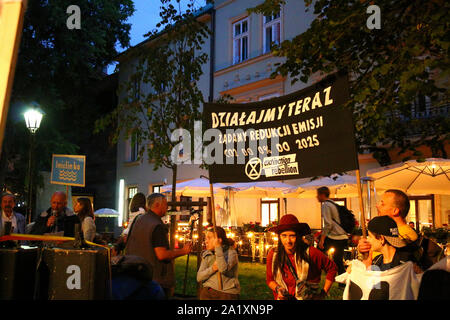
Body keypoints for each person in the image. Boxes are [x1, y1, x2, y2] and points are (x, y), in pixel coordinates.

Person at [125, 193, 192, 298]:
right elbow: (162, 254)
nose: (167, 207)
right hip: (154, 280)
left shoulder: (138, 220)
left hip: (137, 275)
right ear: (157, 205)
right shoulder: (157, 225)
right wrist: (183, 251)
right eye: (165, 204)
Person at [266, 214, 338, 300]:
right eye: (284, 236)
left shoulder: (311, 252)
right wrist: (278, 289)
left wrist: (323, 293)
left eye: (292, 236)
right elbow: (270, 280)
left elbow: (332, 268)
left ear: (298, 236)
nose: (288, 240)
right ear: (279, 237)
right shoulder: (273, 254)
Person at [358, 190, 418, 266]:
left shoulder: (407, 235)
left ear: (395, 211)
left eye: (382, 204)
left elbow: (389, 261)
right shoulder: (385, 230)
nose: (377, 205)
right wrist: (364, 249)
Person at [197, 226, 240, 300]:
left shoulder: (231, 253)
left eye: (209, 238)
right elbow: (199, 277)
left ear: (219, 240)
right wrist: (212, 268)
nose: (206, 241)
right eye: (205, 238)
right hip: (208, 292)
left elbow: (222, 269)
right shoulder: (207, 255)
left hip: (226, 293)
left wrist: (218, 248)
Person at [316, 186, 348, 277]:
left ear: (322, 195)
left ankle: (325, 272)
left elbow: (328, 224)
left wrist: (322, 239)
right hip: (342, 236)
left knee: (318, 253)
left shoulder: (326, 205)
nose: (316, 197)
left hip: (335, 236)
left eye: (317, 195)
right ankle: (342, 280)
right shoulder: (333, 203)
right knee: (338, 259)